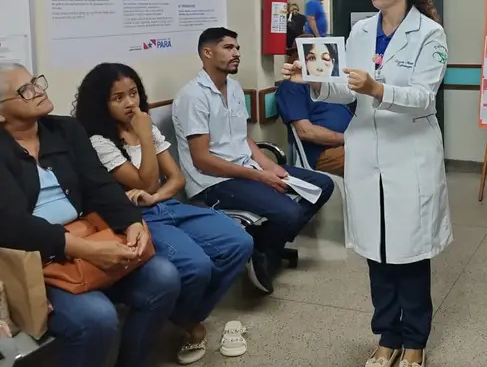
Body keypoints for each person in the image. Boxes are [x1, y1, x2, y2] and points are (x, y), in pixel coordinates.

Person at [282, 0, 450, 367]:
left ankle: (414, 342)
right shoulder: (360, 31)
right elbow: (345, 88)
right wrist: (315, 82)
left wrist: (378, 89)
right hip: (365, 152)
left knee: (409, 253)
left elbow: (423, 97)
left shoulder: (430, 34)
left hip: (408, 152)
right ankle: (386, 338)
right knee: (376, 251)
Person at [0, 63, 181, 367]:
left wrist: (132, 221)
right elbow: (11, 224)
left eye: (35, 82)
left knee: (164, 278)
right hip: (34, 259)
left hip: (89, 239)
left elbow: (101, 185)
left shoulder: (66, 129)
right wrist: (85, 249)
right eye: (25, 90)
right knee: (97, 318)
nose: (40, 90)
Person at [74, 62, 254, 364]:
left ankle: (184, 317)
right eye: (118, 98)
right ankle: (189, 324)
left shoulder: (147, 127)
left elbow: (176, 178)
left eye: (133, 93)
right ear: (100, 104)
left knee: (239, 242)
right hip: (134, 218)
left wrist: (155, 195)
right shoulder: (98, 141)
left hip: (163, 204)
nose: (130, 103)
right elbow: (145, 177)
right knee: (196, 265)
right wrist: (144, 137)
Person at [172, 28, 334, 295]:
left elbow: (243, 138)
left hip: (246, 168)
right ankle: (263, 251)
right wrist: (260, 176)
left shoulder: (233, 87)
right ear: (207, 52)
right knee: (289, 212)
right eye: (228, 48)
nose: (236, 53)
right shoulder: (193, 96)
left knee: (322, 185)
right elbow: (202, 160)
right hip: (214, 181)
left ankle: (263, 248)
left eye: (237, 48)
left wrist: (268, 165)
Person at [277, 39, 350, 176]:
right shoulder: (292, 87)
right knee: (371, 161)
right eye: (310, 57)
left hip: (349, 144)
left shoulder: (330, 85)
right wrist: (349, 138)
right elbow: (306, 132)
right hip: (324, 152)